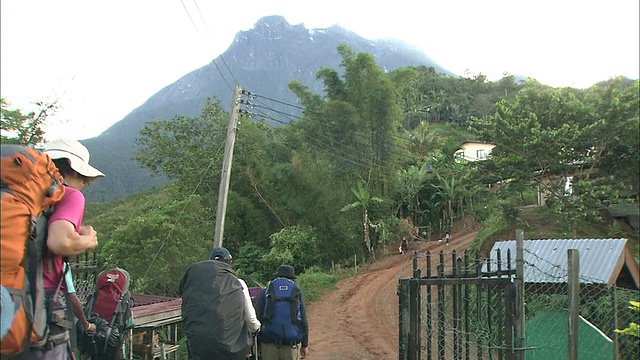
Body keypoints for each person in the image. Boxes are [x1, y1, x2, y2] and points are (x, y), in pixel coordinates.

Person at [28, 139, 103, 359]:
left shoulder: (23, 196)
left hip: (9, 294)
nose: (84, 186)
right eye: (85, 181)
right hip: (42, 301)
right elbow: (60, 242)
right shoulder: (69, 194)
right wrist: (89, 239)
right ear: (74, 171)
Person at [179, 247, 260, 360]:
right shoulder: (238, 283)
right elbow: (251, 319)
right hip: (231, 351)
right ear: (229, 264)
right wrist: (256, 329)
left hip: (199, 349)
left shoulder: (197, 286)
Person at [256, 265, 309, 360]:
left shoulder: (265, 292)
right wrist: (304, 345)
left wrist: (258, 344)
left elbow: (258, 319)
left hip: (268, 344)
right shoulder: (296, 292)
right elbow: (303, 320)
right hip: (290, 344)